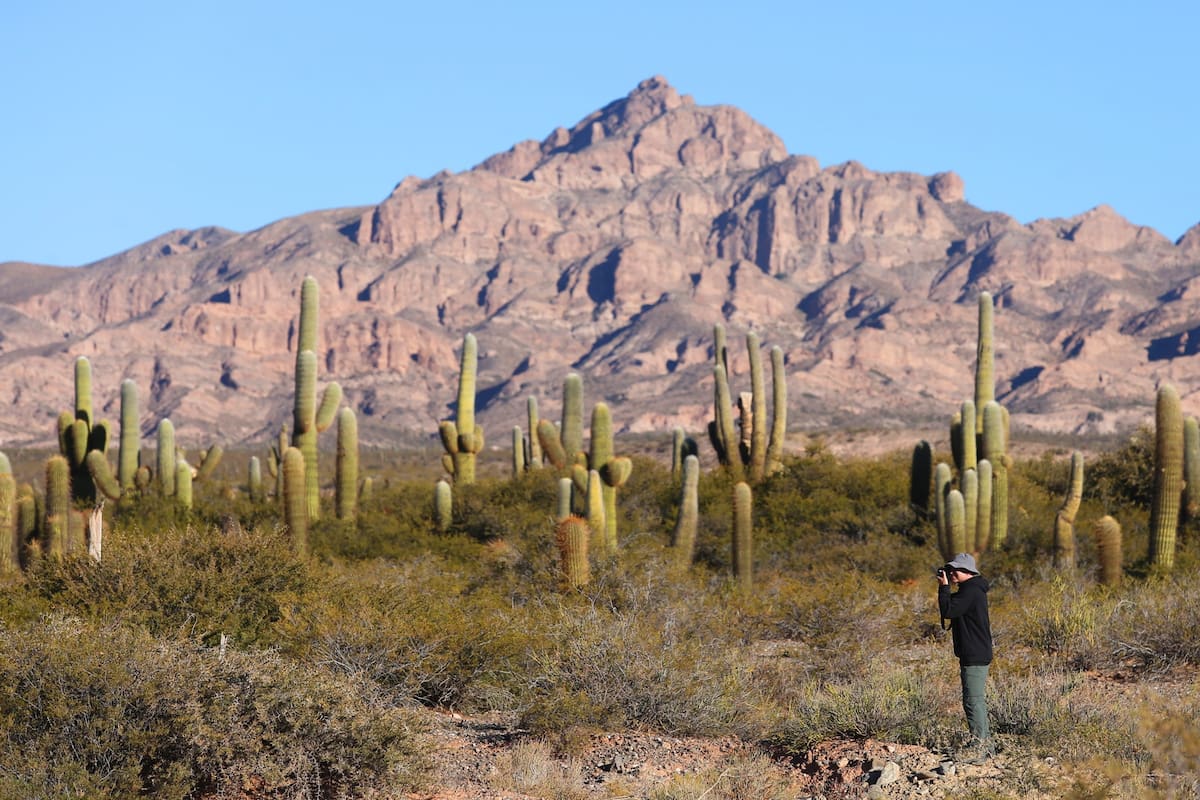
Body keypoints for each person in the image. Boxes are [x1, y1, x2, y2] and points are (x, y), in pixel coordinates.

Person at [937, 552, 993, 762]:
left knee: (973, 701)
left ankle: (981, 748)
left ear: (967, 571)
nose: (951, 574)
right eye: (950, 570)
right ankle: (985, 746)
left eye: (954, 570)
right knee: (974, 700)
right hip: (975, 652)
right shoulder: (971, 590)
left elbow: (949, 610)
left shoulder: (970, 591)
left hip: (974, 654)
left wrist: (943, 588)